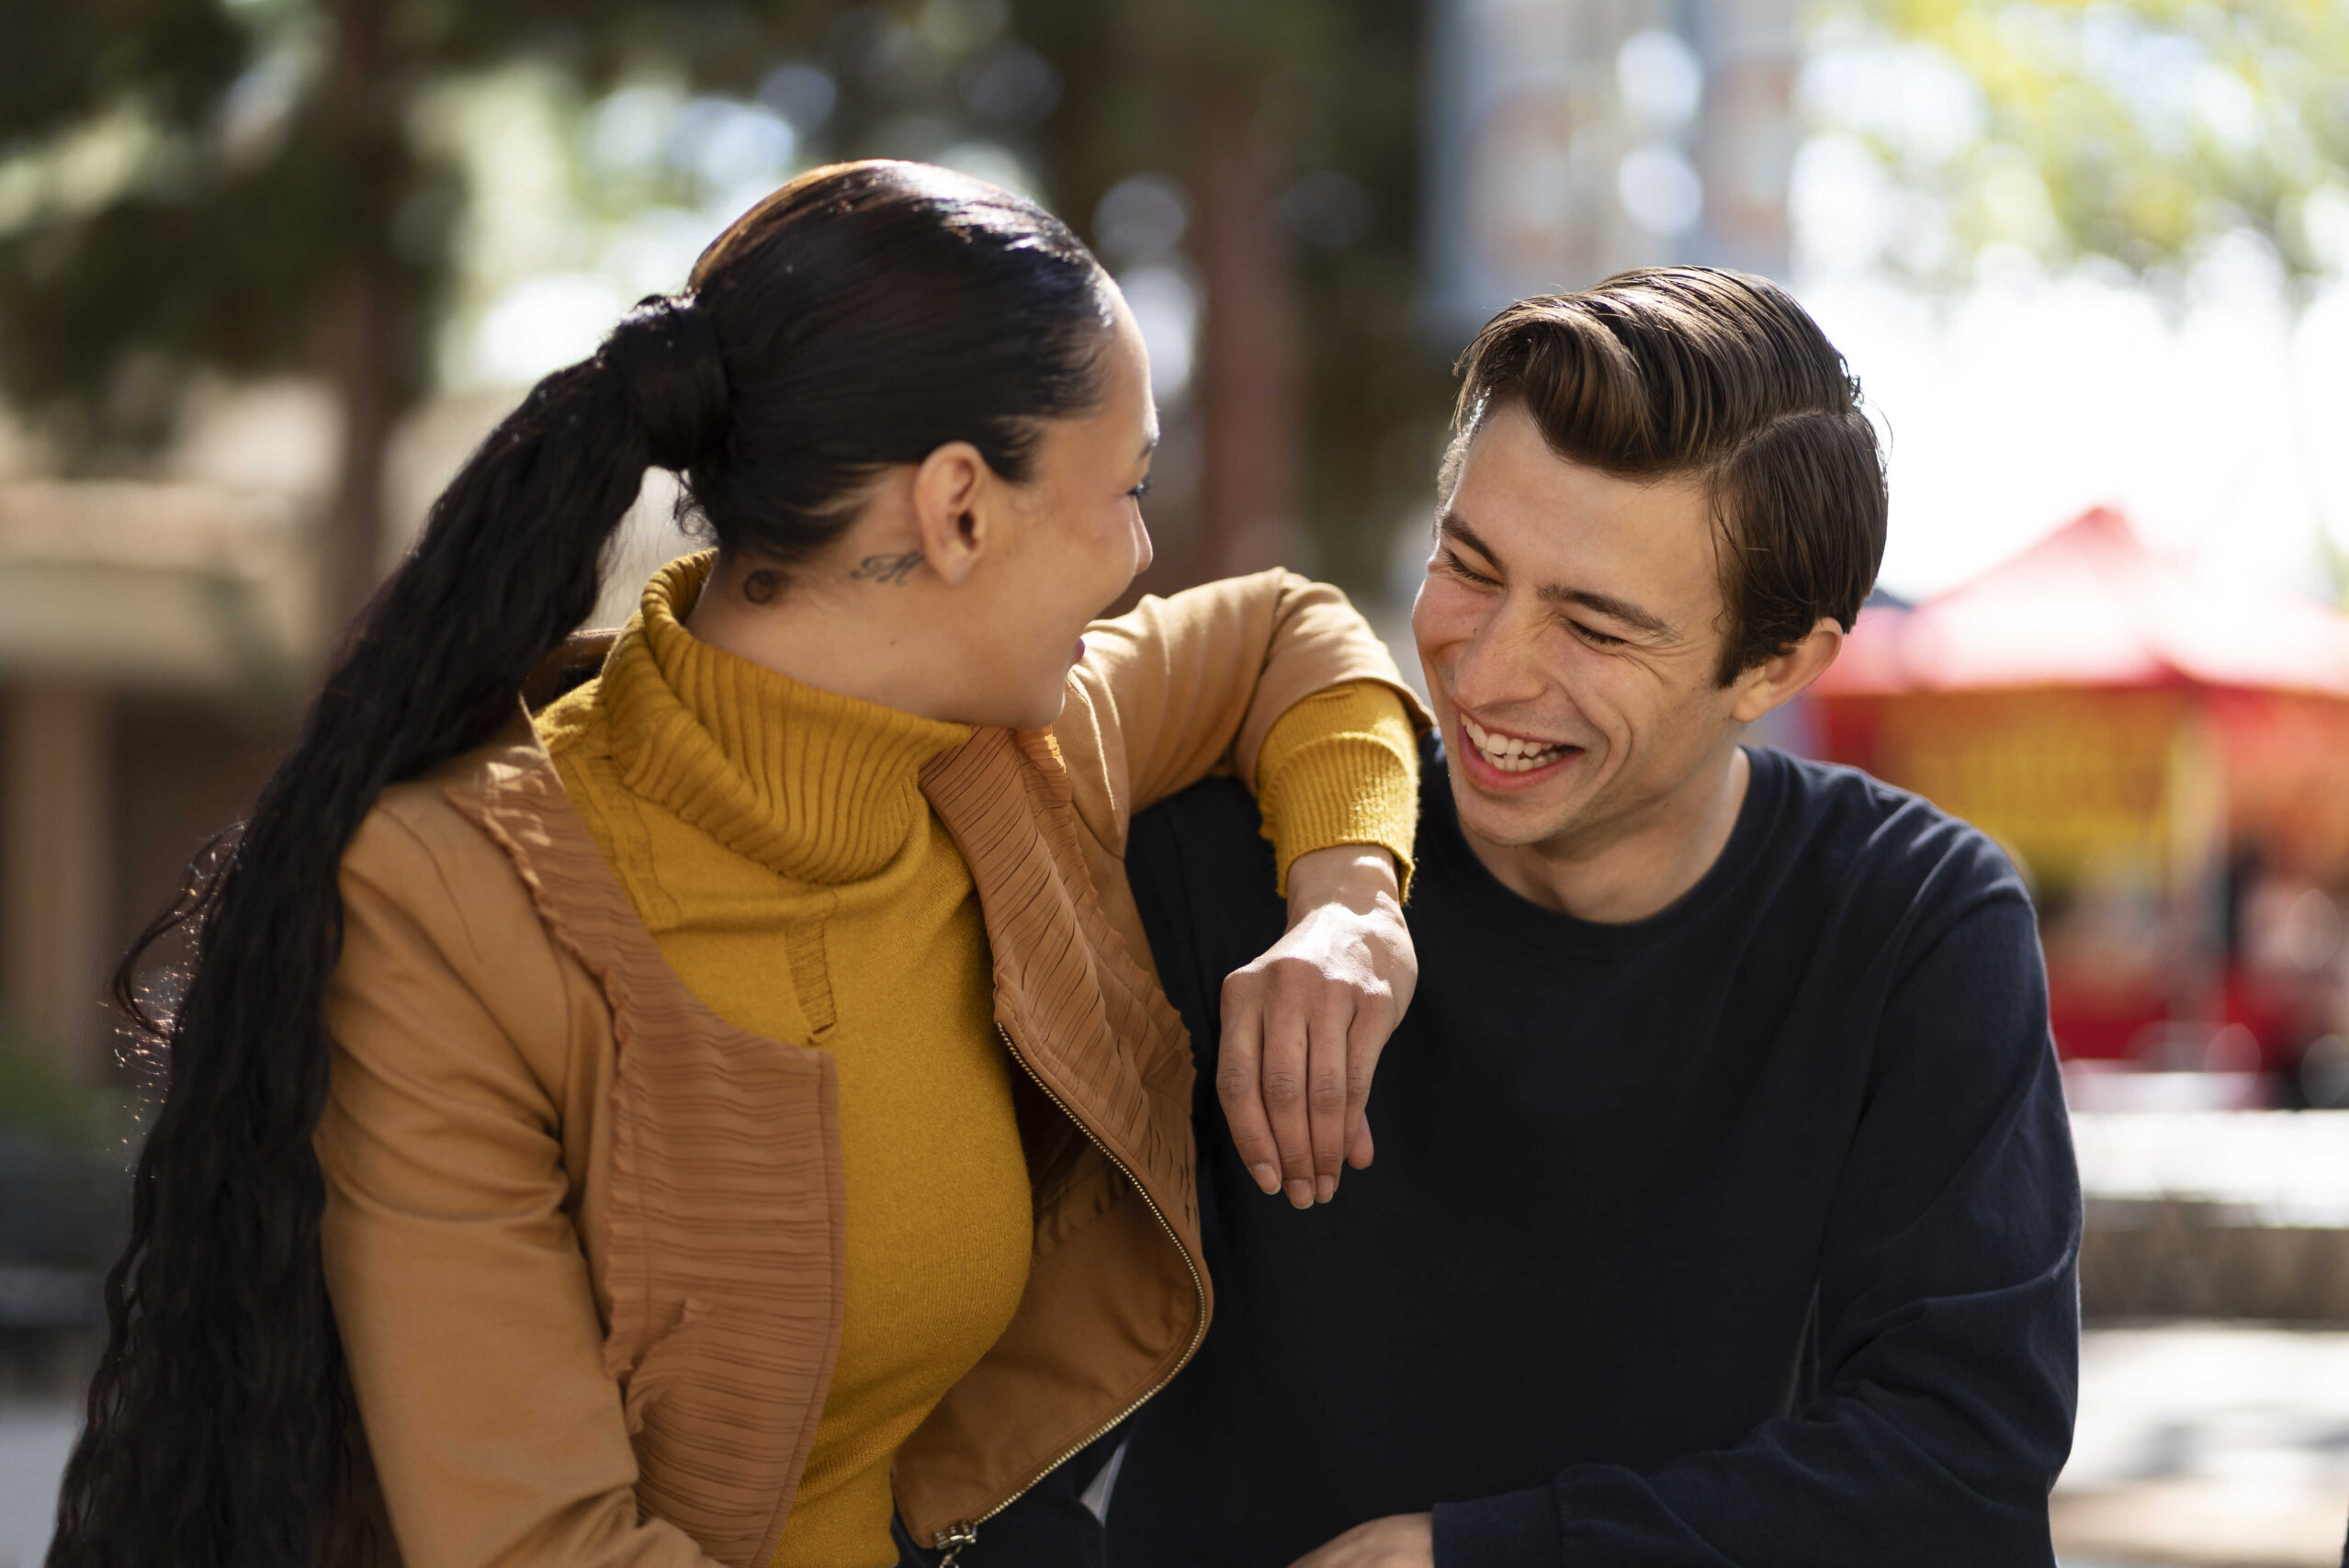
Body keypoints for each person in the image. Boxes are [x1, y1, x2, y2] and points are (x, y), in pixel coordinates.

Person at [50, 161, 1429, 1568]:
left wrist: (1349, 902)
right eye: (1125, 489)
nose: (1141, 556)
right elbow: (546, 1550)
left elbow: (1286, 634)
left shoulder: (1000, 751)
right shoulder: (455, 909)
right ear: (957, 509)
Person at [1073, 267, 2080, 1567]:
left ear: (1777, 668)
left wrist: (1466, 1556)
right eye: (1468, 566)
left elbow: (1963, 1464)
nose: (1488, 672)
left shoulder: (1912, 924)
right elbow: (986, 1406)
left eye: (1596, 628)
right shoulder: (1234, 871)